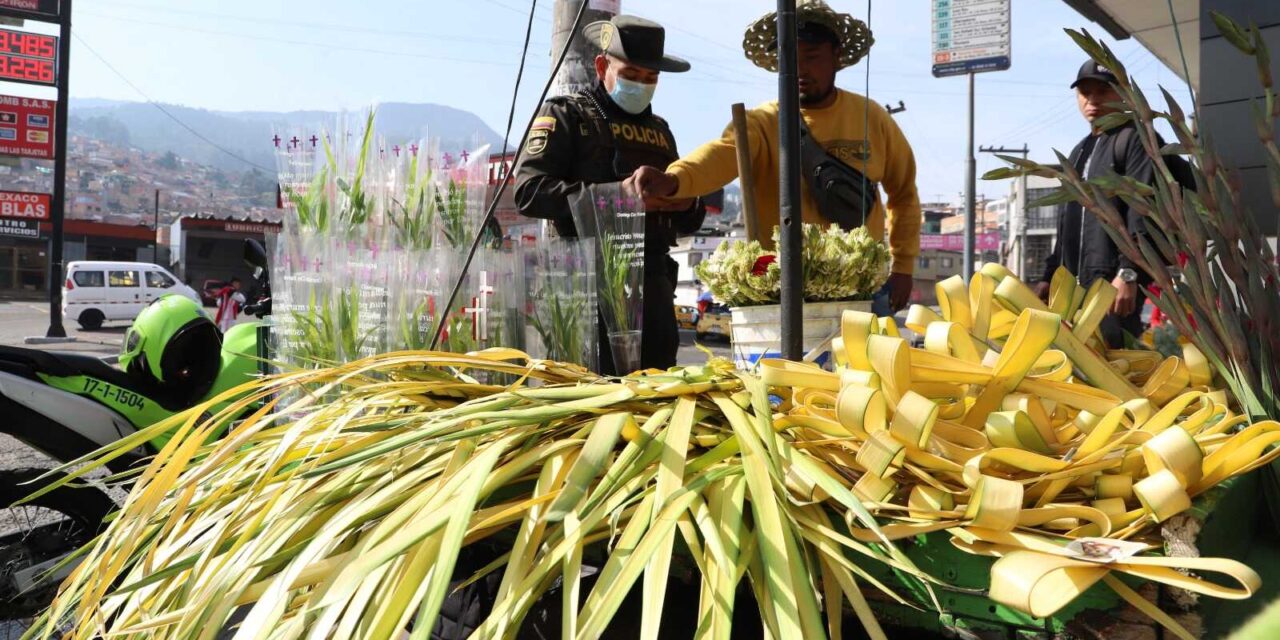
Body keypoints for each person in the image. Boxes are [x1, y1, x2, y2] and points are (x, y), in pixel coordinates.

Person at [628, 0, 922, 316]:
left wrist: (903, 266)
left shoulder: (873, 118)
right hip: (780, 290)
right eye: (790, 58)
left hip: (861, 289)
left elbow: (904, 195)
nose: (800, 69)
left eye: (811, 57)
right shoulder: (761, 123)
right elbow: (722, 154)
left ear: (836, 57)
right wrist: (674, 179)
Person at [513, 14, 705, 375]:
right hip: (587, 292)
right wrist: (619, 198)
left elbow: (690, 218)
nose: (641, 85)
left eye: (651, 79)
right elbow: (528, 191)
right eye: (631, 75)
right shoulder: (567, 115)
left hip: (654, 292)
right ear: (602, 66)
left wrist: (686, 200)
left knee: (656, 405)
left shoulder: (661, 132)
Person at [1034, 60, 1166, 348]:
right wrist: (1049, 274)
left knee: (1115, 363)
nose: (1092, 100)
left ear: (1122, 94)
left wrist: (1128, 273)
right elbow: (1066, 219)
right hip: (1072, 287)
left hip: (1112, 284)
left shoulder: (1136, 139)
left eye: (1102, 91)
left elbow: (1141, 211)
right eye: (1085, 92)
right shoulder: (1079, 149)